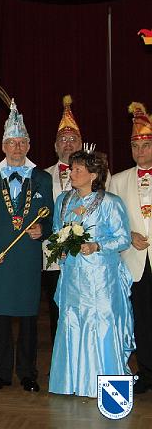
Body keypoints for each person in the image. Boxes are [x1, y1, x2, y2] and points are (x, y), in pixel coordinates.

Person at [0, 100, 53, 392]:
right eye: (11, 143)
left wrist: (43, 230)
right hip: (0, 258)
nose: (17, 148)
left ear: (28, 145)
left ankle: (28, 373)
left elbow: (51, 219)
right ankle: (1, 373)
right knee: (1, 317)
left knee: (30, 318)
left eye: (21, 143)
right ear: (3, 146)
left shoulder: (42, 179)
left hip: (28, 259)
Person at [49, 149, 134, 397]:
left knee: (102, 324)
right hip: (72, 276)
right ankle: (70, 382)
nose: (72, 173)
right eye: (71, 169)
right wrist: (60, 248)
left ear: (93, 175)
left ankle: (105, 385)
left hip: (101, 279)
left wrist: (97, 245)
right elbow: (56, 230)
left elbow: (123, 238)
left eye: (78, 169)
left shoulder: (110, 203)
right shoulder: (63, 200)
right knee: (72, 322)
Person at [108, 102, 152, 395]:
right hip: (134, 262)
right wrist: (129, 234)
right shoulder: (118, 180)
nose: (140, 151)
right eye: (135, 146)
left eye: (146, 145)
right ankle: (146, 373)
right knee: (142, 320)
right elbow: (111, 222)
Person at [43, 95, 84, 344]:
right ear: (55, 145)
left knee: (84, 310)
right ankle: (61, 359)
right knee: (56, 310)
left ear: (81, 143)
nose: (68, 144)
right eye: (63, 140)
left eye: (73, 140)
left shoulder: (99, 175)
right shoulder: (42, 177)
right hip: (53, 257)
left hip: (86, 257)